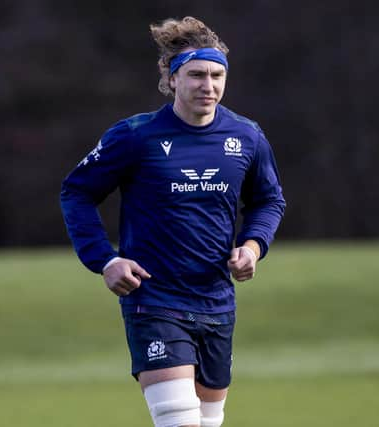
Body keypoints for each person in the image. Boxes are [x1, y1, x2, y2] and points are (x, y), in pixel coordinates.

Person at [60, 16, 285, 427]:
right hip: (155, 299)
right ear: (172, 79)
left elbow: (269, 200)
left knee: (207, 423)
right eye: (196, 75)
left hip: (217, 302)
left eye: (217, 75)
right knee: (178, 421)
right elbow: (76, 192)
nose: (209, 85)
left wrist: (253, 247)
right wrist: (105, 261)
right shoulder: (135, 136)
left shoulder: (247, 137)